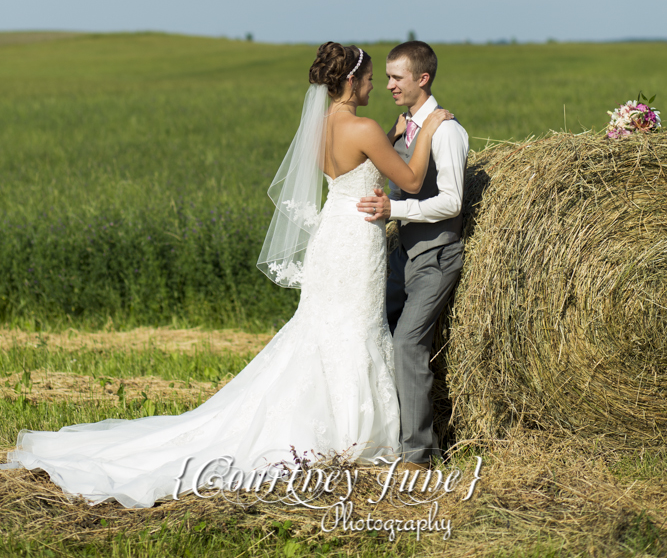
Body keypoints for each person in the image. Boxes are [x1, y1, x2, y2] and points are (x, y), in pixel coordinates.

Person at [2, 42, 450, 508]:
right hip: (357, 241)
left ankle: (342, 427)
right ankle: (357, 435)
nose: (377, 84)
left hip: (331, 237)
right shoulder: (364, 127)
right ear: (352, 81)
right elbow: (413, 182)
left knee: (325, 329)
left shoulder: (318, 130)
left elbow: (359, 167)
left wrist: (394, 139)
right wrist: (427, 129)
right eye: (371, 77)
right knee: (355, 328)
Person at [356, 41, 468, 471]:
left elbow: (453, 202)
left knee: (407, 342)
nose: (387, 85)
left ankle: (418, 455)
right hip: (404, 254)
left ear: (422, 79)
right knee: (370, 325)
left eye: (396, 78)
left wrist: (393, 209)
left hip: (437, 256)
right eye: (385, 77)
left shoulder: (447, 132)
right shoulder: (406, 126)